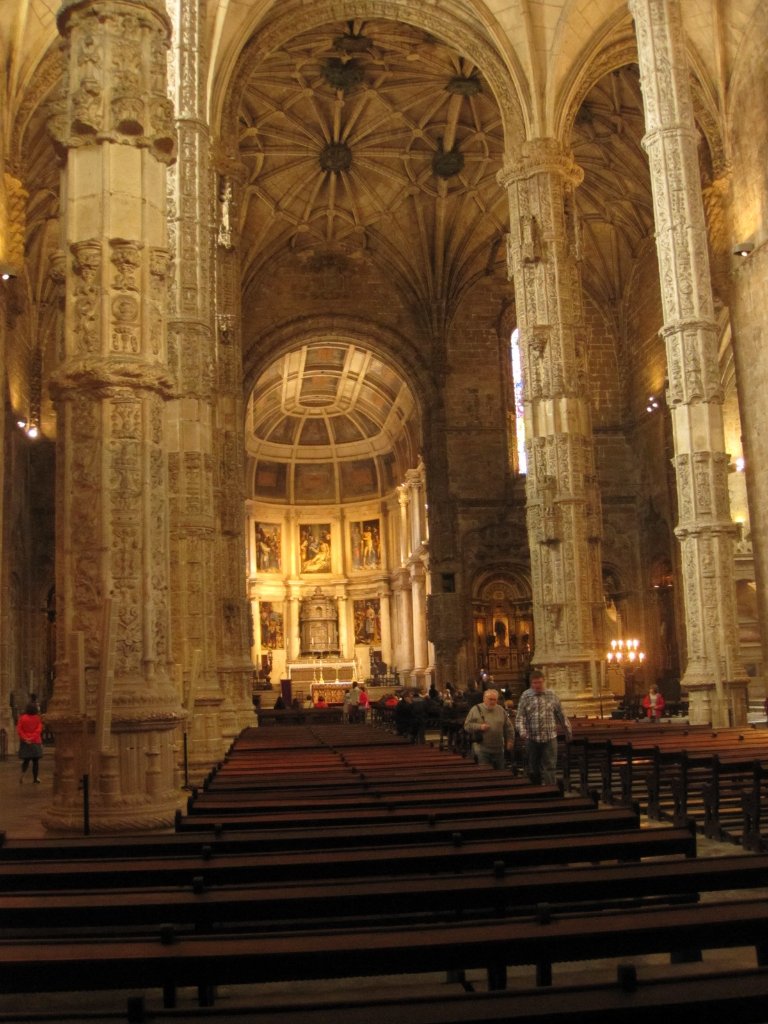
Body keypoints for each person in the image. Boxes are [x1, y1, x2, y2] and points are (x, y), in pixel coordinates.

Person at [516, 668, 572, 786]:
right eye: (535, 683)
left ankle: (550, 791)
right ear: (531, 683)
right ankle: (537, 792)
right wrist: (522, 730)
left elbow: (561, 714)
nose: (537, 685)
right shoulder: (526, 696)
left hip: (549, 737)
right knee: (533, 767)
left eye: (539, 682)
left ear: (544, 681)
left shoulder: (552, 695)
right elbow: (520, 716)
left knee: (550, 767)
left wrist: (568, 731)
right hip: (532, 738)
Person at [463, 688, 513, 770]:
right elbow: (467, 726)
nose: (493, 702)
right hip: (482, 749)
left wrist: (510, 740)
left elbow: (508, 727)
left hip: (498, 749)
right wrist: (479, 726)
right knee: (485, 774)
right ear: (484, 699)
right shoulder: (475, 709)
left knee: (500, 774)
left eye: (495, 700)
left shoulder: (500, 710)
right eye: (490, 699)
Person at [17, 702, 44, 784]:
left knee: (26, 760)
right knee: (35, 761)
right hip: (35, 741)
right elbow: (38, 730)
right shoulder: (37, 718)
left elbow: (19, 729)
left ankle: (22, 774)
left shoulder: (22, 718)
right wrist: (32, 738)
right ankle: (35, 779)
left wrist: (25, 738)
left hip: (25, 742)